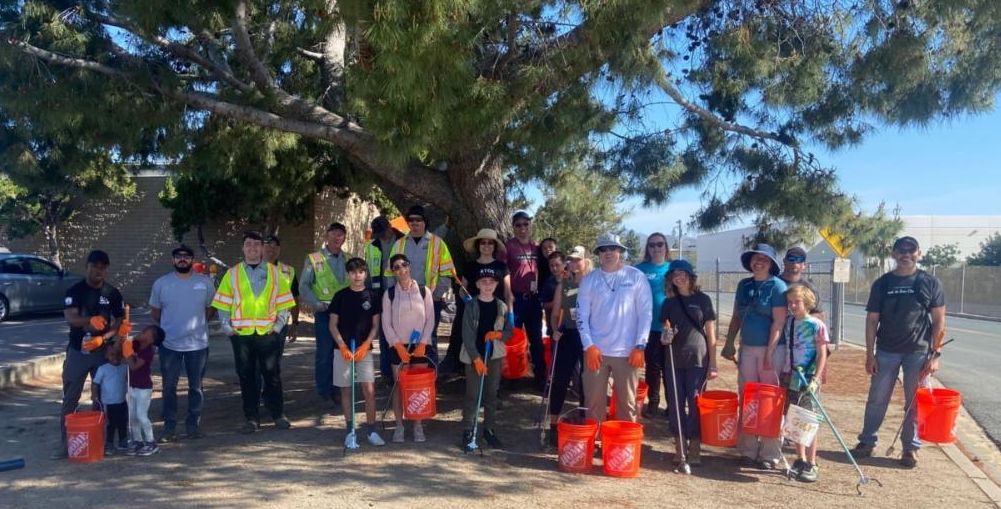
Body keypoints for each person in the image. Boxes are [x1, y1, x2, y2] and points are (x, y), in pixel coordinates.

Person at [854, 236, 945, 469]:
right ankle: (867, 442)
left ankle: (910, 448)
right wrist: (869, 354)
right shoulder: (882, 284)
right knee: (877, 399)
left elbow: (938, 320)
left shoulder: (929, 282)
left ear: (919, 253)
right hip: (886, 351)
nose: (906, 254)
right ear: (894, 254)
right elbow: (872, 320)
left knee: (914, 402)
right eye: (901, 250)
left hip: (919, 352)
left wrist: (935, 354)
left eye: (910, 250)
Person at [212, 231, 296, 433]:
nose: (252, 248)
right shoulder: (232, 274)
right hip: (241, 335)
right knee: (246, 376)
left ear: (262, 248)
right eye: (248, 244)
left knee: (272, 374)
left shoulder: (276, 273)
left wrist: (278, 327)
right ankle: (251, 418)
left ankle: (278, 414)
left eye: (256, 245)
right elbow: (223, 303)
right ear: (243, 248)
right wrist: (227, 327)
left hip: (267, 333)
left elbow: (284, 303)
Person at [53, 249, 125, 459]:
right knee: (70, 397)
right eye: (94, 267)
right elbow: (71, 318)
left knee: (103, 396)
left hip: (102, 351)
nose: (98, 271)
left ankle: (100, 439)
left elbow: (119, 321)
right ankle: (65, 444)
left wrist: (104, 338)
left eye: (103, 268)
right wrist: (88, 321)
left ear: (107, 270)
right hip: (78, 351)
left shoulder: (112, 293)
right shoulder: (75, 291)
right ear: (87, 267)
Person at [721, 243, 788, 469]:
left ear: (771, 264)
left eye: (764, 259)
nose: (759, 262)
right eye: (756, 258)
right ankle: (748, 450)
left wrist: (770, 352)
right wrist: (730, 342)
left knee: (770, 401)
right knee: (748, 399)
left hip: (772, 350)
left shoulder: (778, 287)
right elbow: (737, 316)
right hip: (747, 348)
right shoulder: (744, 285)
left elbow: (779, 321)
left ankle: (769, 453)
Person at [576, 233, 652, 424]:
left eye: (613, 248)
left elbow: (645, 313)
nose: (608, 253)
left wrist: (640, 345)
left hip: (628, 352)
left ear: (620, 251)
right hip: (596, 353)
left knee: (627, 404)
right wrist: (589, 347)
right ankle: (595, 441)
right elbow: (581, 316)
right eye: (603, 249)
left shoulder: (636, 277)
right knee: (593, 403)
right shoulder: (589, 280)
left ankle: (623, 447)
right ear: (598, 254)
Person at [150, 245, 215, 442]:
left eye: (186, 256)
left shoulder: (205, 283)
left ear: (192, 259)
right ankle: (169, 427)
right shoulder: (162, 284)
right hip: (170, 345)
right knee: (169, 387)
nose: (182, 259)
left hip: (198, 345)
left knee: (196, 387)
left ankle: (193, 425)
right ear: (173, 260)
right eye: (178, 257)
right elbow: (156, 313)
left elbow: (210, 309)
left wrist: (199, 325)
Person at [660, 259, 717, 468]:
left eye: (683, 273)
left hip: (699, 358)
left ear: (690, 276)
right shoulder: (668, 303)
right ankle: (679, 445)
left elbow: (711, 334)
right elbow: (665, 332)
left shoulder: (703, 300)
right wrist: (665, 337)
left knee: (695, 401)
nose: (679, 277)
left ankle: (695, 445)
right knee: (675, 402)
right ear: (671, 279)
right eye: (675, 274)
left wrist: (713, 363)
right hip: (673, 359)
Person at [385, 205, 456, 366]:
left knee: (428, 338)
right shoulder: (399, 244)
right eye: (411, 220)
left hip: (429, 299)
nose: (415, 223)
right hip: (402, 300)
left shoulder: (438, 243)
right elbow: (390, 273)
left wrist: (436, 295)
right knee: (405, 337)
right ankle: (407, 377)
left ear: (425, 222)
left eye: (419, 220)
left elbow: (446, 272)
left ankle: (430, 377)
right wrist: (393, 296)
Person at [329, 258, 386, 447]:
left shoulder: (372, 296)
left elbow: (376, 325)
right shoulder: (340, 296)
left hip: (364, 350)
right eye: (353, 272)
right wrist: (342, 346)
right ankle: (349, 431)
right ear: (348, 275)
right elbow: (332, 324)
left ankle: (371, 430)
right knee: (346, 390)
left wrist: (366, 345)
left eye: (360, 272)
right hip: (342, 350)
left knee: (369, 390)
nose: (357, 276)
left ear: (365, 274)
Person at [381, 254, 436, 443]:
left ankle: (418, 426)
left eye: (404, 265)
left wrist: (423, 343)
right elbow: (386, 323)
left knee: (418, 389)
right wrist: (398, 346)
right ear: (393, 271)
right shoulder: (389, 294)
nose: (401, 269)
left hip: (420, 347)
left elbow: (430, 319)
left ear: (409, 266)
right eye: (396, 267)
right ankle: (399, 426)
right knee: (399, 388)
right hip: (398, 347)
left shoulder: (423, 291)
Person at [460, 266, 513, 452]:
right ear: (477, 284)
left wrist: (497, 334)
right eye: (484, 282)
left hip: (494, 355)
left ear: (497, 284)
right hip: (474, 356)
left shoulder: (501, 306)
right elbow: (466, 335)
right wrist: (476, 359)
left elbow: (508, 332)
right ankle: (468, 430)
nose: (487, 285)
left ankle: (489, 430)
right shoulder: (471, 306)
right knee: (473, 395)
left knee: (491, 394)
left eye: (491, 282)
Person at [442, 228, 509, 373]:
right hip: (474, 312)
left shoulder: (501, 267)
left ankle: (493, 377)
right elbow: (462, 288)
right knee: (474, 341)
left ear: (495, 246)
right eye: (483, 243)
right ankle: (473, 373)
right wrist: (465, 297)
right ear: (478, 245)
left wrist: (509, 312)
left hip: (495, 311)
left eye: (490, 243)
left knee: (494, 343)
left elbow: (508, 292)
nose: (486, 246)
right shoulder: (470, 266)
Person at [300, 222, 352, 405]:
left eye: (341, 234)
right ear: (326, 236)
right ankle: (324, 390)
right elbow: (304, 285)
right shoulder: (314, 259)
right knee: (325, 353)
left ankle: (339, 390)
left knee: (342, 353)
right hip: (324, 314)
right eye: (334, 234)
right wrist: (315, 303)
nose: (337, 238)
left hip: (346, 315)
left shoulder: (349, 259)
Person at [782, 285, 829, 482]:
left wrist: (816, 379)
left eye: (797, 302)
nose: (793, 305)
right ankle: (800, 458)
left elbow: (822, 354)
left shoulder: (816, 325)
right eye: (790, 302)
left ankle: (812, 462)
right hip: (792, 376)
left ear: (807, 302)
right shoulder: (789, 322)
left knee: (808, 421)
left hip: (808, 377)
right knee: (794, 420)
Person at [545, 245, 591, 447]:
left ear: (585, 261)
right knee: (560, 379)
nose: (574, 264)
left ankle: (585, 422)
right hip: (568, 334)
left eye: (577, 260)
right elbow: (555, 314)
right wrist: (555, 329)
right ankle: (553, 425)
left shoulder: (594, 281)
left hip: (588, 336)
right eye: (571, 260)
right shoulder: (563, 284)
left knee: (587, 380)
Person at [505, 210, 546, 391]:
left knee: (536, 339)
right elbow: (504, 273)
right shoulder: (508, 247)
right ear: (513, 227)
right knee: (513, 340)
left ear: (530, 225)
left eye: (525, 224)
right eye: (518, 225)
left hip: (534, 300)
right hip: (516, 298)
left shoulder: (537, 247)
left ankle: (540, 376)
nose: (522, 228)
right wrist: (508, 296)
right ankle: (513, 375)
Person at [634, 232, 672, 418]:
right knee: (653, 368)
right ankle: (653, 403)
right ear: (647, 248)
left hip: (670, 328)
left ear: (666, 246)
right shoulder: (639, 269)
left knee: (670, 368)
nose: (656, 248)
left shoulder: (674, 268)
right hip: (648, 328)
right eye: (652, 245)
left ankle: (672, 405)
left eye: (660, 244)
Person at [365, 216, 403, 380]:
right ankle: (386, 373)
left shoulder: (403, 241)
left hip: (399, 292)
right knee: (384, 332)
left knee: (399, 332)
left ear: (389, 227)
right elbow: (368, 269)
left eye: (383, 232)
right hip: (379, 293)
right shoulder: (372, 246)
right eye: (378, 234)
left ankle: (400, 371)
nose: (381, 237)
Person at [124, 325, 166, 456]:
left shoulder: (148, 351)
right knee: (132, 416)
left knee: (141, 415)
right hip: (131, 385)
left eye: (148, 331)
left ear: (152, 339)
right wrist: (125, 335)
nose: (144, 330)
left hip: (143, 388)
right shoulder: (136, 343)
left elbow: (134, 366)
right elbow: (125, 342)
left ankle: (151, 442)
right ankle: (137, 440)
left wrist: (128, 354)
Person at [93, 342, 129, 456]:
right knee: (110, 424)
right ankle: (109, 444)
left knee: (122, 422)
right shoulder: (103, 369)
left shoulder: (125, 368)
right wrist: (94, 395)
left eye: (118, 354)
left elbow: (128, 381)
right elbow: (95, 383)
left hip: (122, 401)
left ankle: (123, 441)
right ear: (106, 356)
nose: (116, 357)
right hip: (108, 403)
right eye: (112, 354)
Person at [264, 235, 300, 346]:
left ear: (279, 250)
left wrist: (294, 324)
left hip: (279, 324)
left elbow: (295, 299)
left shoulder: (288, 271)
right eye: (268, 246)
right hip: (255, 325)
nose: (272, 249)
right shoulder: (251, 269)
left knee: (274, 361)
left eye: (275, 247)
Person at [779, 246, 823, 317]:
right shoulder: (774, 284)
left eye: (799, 260)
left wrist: (802, 321)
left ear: (804, 265)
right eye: (791, 259)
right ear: (784, 261)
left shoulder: (809, 287)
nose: (795, 263)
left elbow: (819, 313)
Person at [540, 251, 566, 336]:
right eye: (551, 266)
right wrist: (556, 303)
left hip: (571, 324)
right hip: (554, 325)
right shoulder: (547, 283)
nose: (554, 268)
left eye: (557, 265)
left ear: (564, 264)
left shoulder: (572, 279)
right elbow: (543, 305)